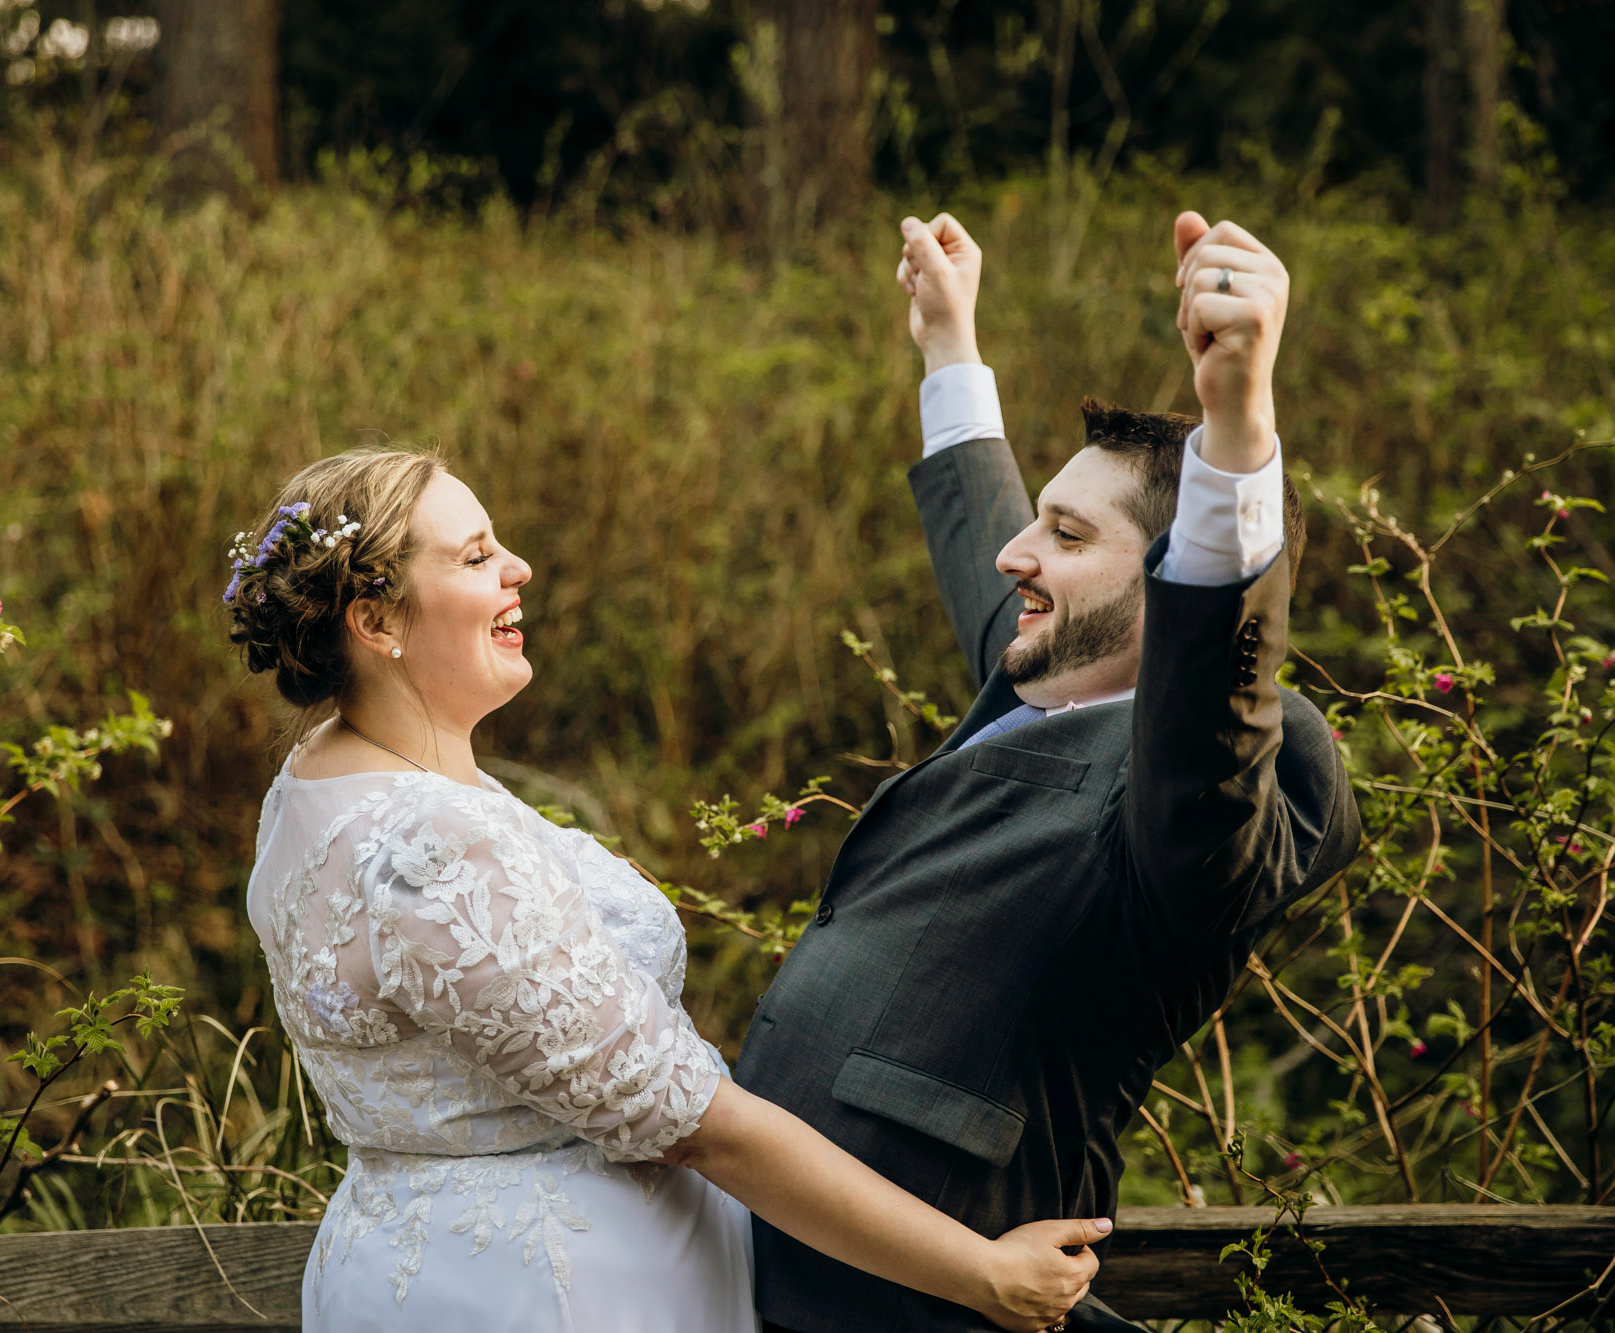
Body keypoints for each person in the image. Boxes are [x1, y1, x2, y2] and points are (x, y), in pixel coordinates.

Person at [228, 451, 1111, 1331]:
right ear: (376, 619)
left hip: (398, 1263)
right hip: (550, 1295)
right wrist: (982, 1272)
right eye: (474, 555)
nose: (518, 567)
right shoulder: (435, 846)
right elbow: (700, 1125)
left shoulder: (315, 782)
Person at [730, 210, 1364, 1333]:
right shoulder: (1045, 672)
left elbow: (1207, 729)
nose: (1015, 556)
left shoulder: (1208, 783)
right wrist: (947, 345)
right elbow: (995, 548)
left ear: (1165, 586)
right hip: (779, 1267)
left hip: (932, 1297)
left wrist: (1236, 427)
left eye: (1066, 536)